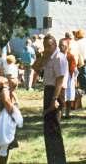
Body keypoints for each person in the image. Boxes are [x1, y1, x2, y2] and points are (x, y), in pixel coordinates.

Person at [32, 34, 67, 164]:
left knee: (54, 128)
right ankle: (51, 159)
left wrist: (54, 99)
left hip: (56, 92)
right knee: (48, 128)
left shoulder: (59, 58)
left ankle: (58, 160)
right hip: (48, 91)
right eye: (45, 46)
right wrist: (43, 56)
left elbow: (60, 80)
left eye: (49, 46)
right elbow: (35, 67)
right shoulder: (48, 57)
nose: (47, 48)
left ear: (55, 45)